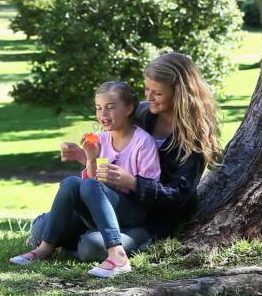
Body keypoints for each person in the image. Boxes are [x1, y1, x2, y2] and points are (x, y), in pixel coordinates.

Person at [25, 52, 222, 264]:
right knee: (40, 230)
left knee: (92, 246)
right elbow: (113, 153)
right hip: (112, 202)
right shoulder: (142, 114)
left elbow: (178, 197)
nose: (148, 97)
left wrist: (135, 183)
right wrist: (87, 156)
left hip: (149, 219)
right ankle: (69, 237)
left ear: (180, 93)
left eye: (157, 93)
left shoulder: (193, 137)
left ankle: (79, 241)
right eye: (147, 89)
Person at [9, 81, 162, 278]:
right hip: (100, 208)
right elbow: (91, 184)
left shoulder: (143, 142)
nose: (103, 114)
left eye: (110, 107)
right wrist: (91, 158)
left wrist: (125, 181)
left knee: (88, 186)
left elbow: (149, 191)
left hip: (132, 211)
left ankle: (118, 255)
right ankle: (45, 248)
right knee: (72, 182)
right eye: (98, 108)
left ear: (129, 108)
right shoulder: (101, 139)